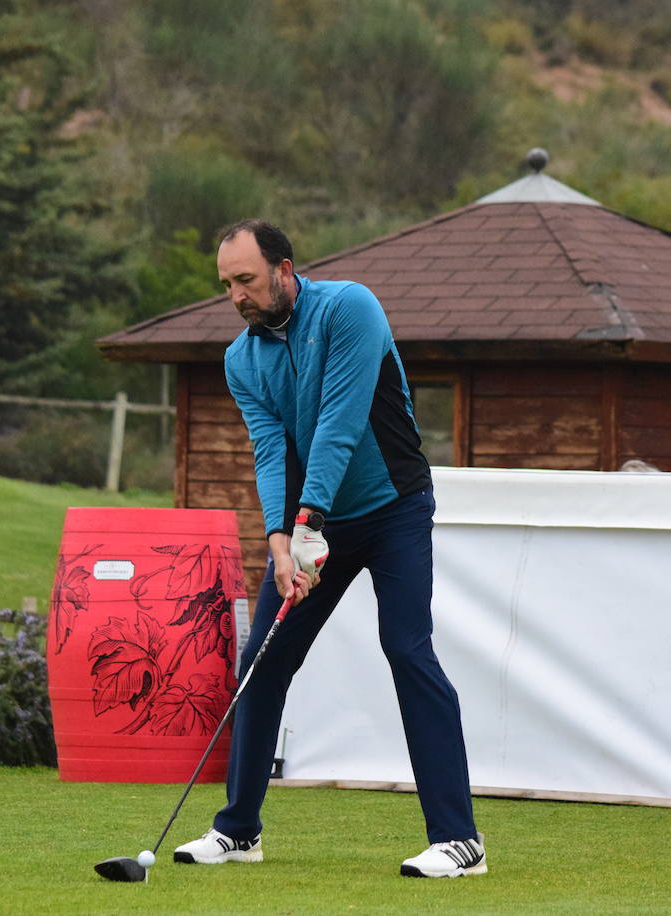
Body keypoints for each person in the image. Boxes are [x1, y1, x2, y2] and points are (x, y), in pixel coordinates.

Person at [172, 219, 484, 878]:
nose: (236, 296)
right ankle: (239, 830)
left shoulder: (350, 309)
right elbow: (271, 450)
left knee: (406, 646)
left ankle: (460, 840)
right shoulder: (242, 359)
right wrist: (281, 542)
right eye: (227, 284)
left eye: (247, 280)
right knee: (263, 659)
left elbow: (339, 428)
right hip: (319, 525)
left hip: (395, 509)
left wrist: (308, 522)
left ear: (284, 269)